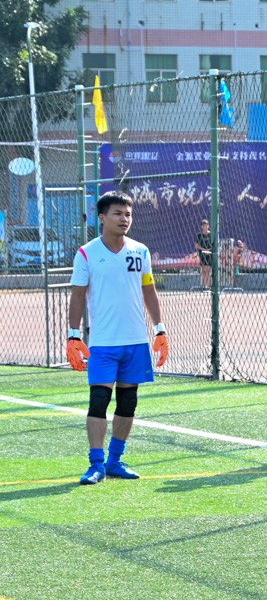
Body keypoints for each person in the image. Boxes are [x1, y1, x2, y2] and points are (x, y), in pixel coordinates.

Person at [66, 190, 171, 485]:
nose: (124, 219)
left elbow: (148, 290)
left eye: (128, 214)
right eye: (117, 213)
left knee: (128, 403)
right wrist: (73, 335)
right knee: (99, 400)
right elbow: (77, 295)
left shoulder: (141, 251)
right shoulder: (86, 253)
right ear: (102, 218)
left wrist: (159, 328)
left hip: (136, 342)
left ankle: (115, 461)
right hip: (102, 343)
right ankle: (95, 463)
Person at [195, 219, 213, 290]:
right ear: (201, 227)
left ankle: (207, 286)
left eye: (206, 225)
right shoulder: (199, 235)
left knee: (208, 270)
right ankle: (204, 285)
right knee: (204, 270)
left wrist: (209, 249)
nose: (205, 226)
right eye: (203, 225)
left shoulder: (211, 235)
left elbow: (214, 244)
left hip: (209, 254)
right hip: (202, 254)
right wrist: (203, 249)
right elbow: (196, 245)